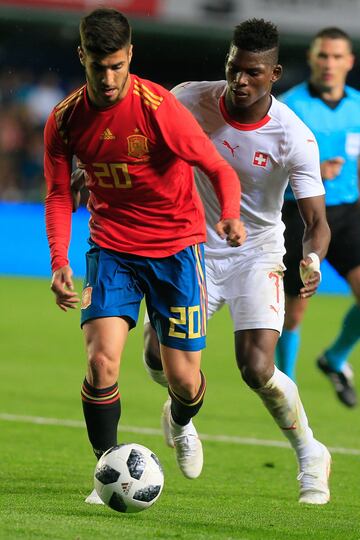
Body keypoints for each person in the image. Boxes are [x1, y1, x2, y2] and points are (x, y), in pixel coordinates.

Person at [44, 8, 246, 505]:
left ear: (130, 55)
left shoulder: (159, 109)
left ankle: (178, 422)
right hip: (112, 249)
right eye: (98, 66)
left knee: (182, 379)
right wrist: (58, 260)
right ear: (82, 58)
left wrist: (231, 214)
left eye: (117, 65)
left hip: (176, 251)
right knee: (101, 362)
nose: (109, 78)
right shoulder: (66, 119)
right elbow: (56, 194)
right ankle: (106, 467)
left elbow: (218, 169)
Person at [142, 18, 333, 505]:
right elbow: (139, 136)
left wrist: (311, 258)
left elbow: (317, 221)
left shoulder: (294, 136)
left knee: (255, 366)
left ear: (274, 74)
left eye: (252, 72)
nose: (239, 81)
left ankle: (310, 452)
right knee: (153, 360)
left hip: (256, 252)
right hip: (190, 249)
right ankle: (183, 419)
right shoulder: (188, 98)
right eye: (233, 69)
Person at [277, 27, 360, 406]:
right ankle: (285, 391)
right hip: (302, 213)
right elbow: (265, 166)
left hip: (347, 212)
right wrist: (312, 171)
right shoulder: (289, 106)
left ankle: (335, 358)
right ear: (311, 58)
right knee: (295, 310)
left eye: (336, 56)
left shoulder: (357, 106)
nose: (329, 63)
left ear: (349, 62)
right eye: (322, 55)